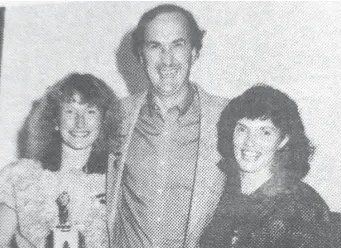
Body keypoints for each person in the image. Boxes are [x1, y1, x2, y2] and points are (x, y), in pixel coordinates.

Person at [106, 4, 228, 248]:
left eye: (178, 44)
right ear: (141, 56)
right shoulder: (117, 115)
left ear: (194, 52)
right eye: (155, 46)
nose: (167, 60)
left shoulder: (226, 118)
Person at [0, 73, 115, 248]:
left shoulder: (118, 179)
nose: (80, 122)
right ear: (55, 120)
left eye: (90, 111)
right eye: (70, 111)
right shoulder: (19, 176)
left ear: (103, 122)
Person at [199, 85, 331, 248]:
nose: (249, 142)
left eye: (265, 132)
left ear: (283, 140)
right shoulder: (214, 191)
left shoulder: (305, 206)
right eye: (242, 129)